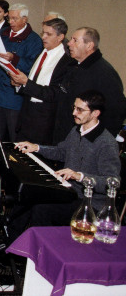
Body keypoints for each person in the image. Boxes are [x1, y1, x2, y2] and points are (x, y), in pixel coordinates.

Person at [9, 90, 121, 243]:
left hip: (90, 203)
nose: (74, 112)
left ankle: (40, 255)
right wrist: (37, 148)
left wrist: (79, 176)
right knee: (28, 196)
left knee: (42, 210)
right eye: (74, 107)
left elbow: (112, 182)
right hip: (69, 191)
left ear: (95, 113)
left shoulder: (106, 143)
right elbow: (62, 152)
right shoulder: (77, 130)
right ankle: (11, 245)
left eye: (80, 110)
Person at [53, 27, 126, 143]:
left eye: (75, 40)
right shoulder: (73, 66)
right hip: (65, 137)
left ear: (89, 46)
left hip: (85, 143)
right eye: (71, 39)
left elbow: (116, 111)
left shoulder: (104, 73)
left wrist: (95, 140)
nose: (69, 44)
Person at [0, 3, 43, 141]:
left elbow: (33, 67)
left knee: (13, 137)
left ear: (25, 19)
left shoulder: (34, 40)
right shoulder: (3, 32)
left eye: (15, 19)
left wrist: (14, 58)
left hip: (13, 98)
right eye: (9, 18)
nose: (11, 22)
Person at [10, 18, 74, 145]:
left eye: (48, 34)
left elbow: (54, 93)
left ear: (60, 37)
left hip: (44, 123)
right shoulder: (43, 52)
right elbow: (36, 81)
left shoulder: (66, 62)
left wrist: (26, 83)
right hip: (26, 116)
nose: (43, 37)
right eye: (43, 33)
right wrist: (19, 84)